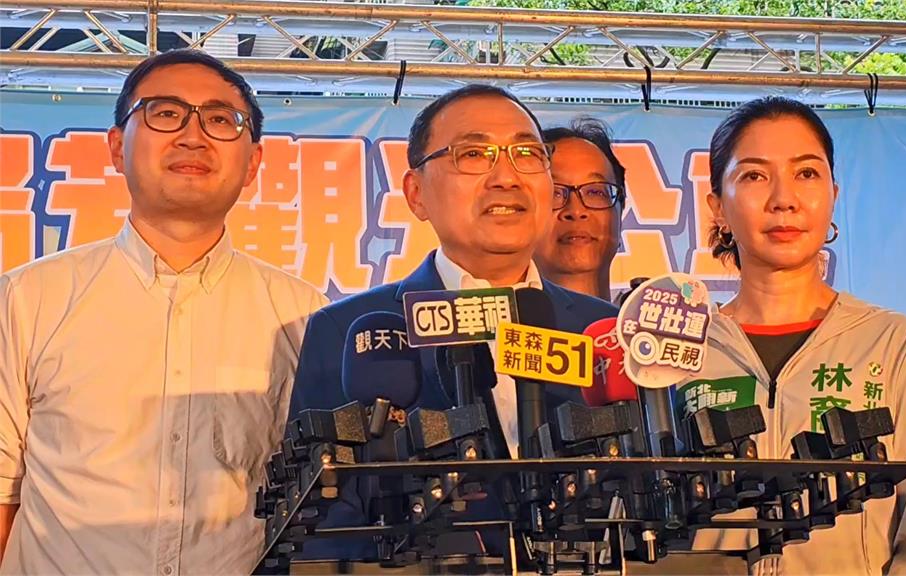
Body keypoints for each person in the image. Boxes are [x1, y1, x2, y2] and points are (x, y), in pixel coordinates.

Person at [0, 49, 327, 574]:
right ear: (116, 147)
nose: (193, 136)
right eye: (166, 113)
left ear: (253, 164)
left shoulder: (304, 316)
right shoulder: (26, 299)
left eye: (220, 119)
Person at [290, 84, 619, 559]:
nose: (506, 176)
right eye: (474, 154)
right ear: (416, 193)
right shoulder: (347, 331)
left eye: (527, 154)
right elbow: (320, 524)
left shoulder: (607, 332)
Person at [681, 96, 906, 574]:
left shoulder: (895, 343)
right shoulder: (678, 352)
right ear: (718, 206)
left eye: (806, 173)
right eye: (754, 175)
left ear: (833, 193)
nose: (783, 199)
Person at [534, 118, 626, 302]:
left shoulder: (648, 319)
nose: (576, 211)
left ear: (620, 210)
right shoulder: (492, 318)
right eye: (555, 192)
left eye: (595, 192)